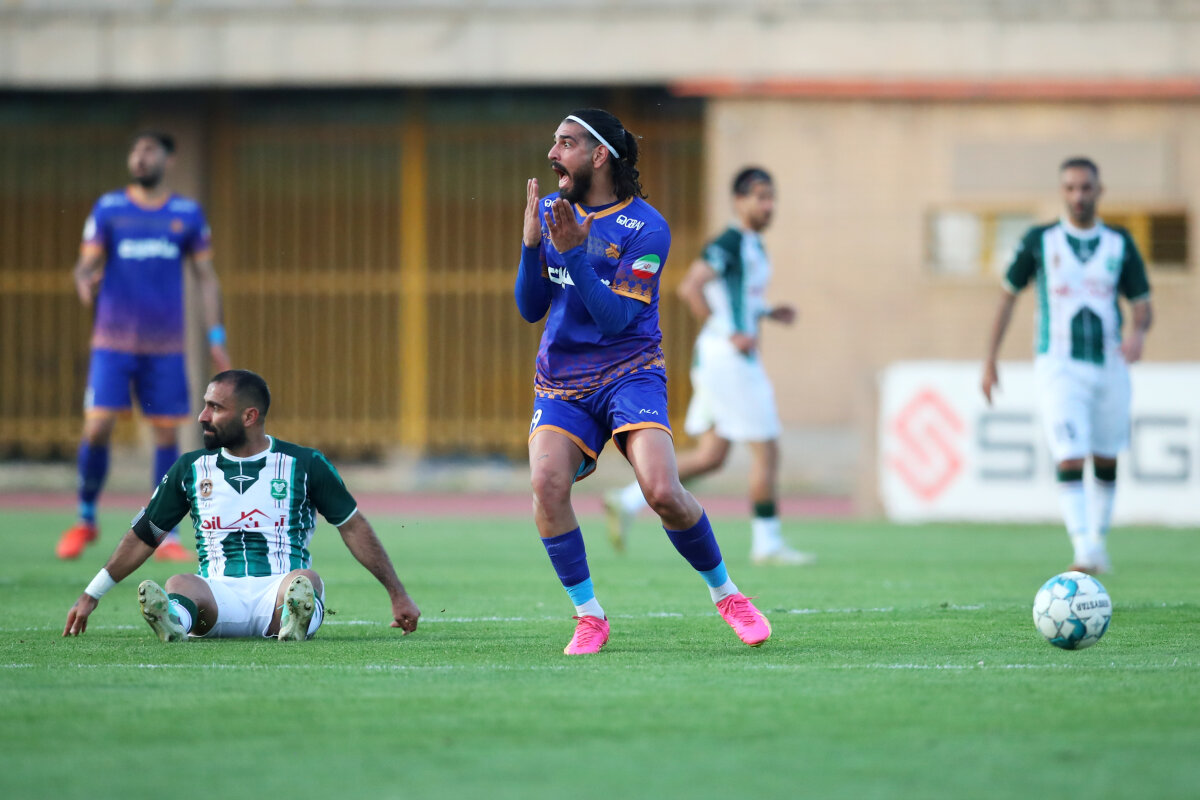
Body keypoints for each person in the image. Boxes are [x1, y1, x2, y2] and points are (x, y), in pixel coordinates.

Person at [515, 108, 772, 655]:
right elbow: (531, 308)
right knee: (546, 484)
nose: (553, 153)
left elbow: (614, 319)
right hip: (562, 382)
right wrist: (531, 246)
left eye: (565, 143)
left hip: (630, 373)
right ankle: (589, 616)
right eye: (554, 142)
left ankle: (727, 595)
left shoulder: (647, 228)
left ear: (598, 155)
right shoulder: (554, 212)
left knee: (662, 492)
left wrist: (573, 254)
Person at [63, 369, 421, 642]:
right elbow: (145, 535)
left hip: (279, 590)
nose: (202, 416)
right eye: (205, 405)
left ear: (249, 416)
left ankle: (293, 621)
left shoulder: (305, 464)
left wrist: (398, 594)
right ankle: (175, 620)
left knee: (305, 581)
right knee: (180, 581)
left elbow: (353, 526)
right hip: (216, 595)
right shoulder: (190, 468)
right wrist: (92, 594)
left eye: (215, 408)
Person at [604, 167, 814, 565]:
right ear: (739, 200)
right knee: (767, 449)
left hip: (720, 359)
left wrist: (768, 311)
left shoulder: (754, 245)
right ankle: (767, 543)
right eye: (760, 197)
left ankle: (628, 500)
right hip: (729, 361)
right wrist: (731, 332)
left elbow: (738, 297)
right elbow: (691, 287)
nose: (768, 206)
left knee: (712, 455)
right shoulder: (729, 242)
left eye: (772, 198)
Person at [57, 131, 232, 563]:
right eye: (135, 150)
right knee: (97, 427)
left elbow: (206, 278)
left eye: (149, 151)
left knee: (167, 433)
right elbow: (84, 265)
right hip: (112, 343)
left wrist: (215, 335)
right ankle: (85, 518)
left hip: (165, 347)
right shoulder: (110, 208)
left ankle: (166, 534)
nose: (140, 157)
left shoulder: (186, 214)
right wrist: (85, 281)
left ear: (167, 160)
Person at [982, 156, 1152, 574]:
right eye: (1071, 188)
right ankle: (1083, 548)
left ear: (1099, 191)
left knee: (1106, 456)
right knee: (1070, 454)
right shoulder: (1040, 240)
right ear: (1062, 191)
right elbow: (1008, 295)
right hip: (1059, 365)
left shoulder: (1119, 243)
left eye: (1086, 188)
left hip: (1110, 364)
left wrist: (1138, 334)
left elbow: (1142, 304)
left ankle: (1098, 542)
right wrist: (990, 358)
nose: (1078, 196)